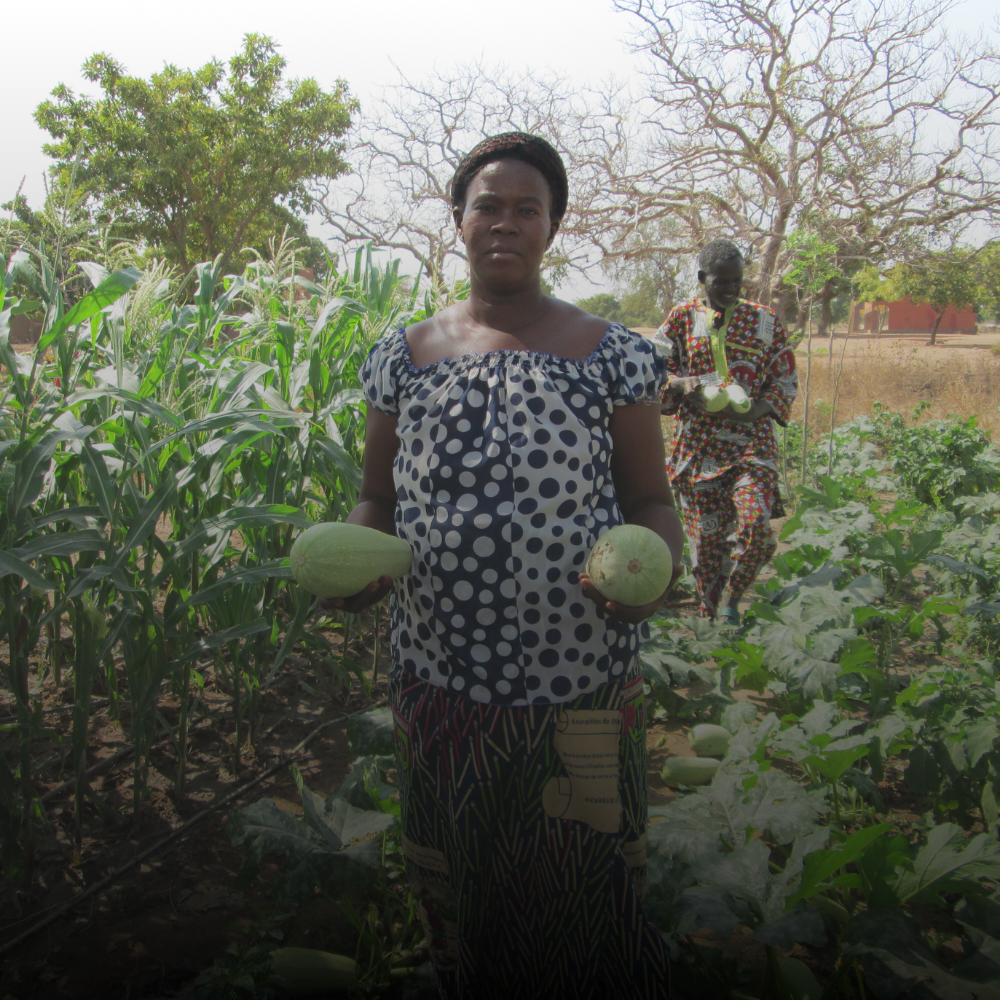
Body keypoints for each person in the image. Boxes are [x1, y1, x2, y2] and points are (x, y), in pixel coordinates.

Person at [324, 132, 684, 999]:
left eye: (529, 208)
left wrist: (652, 580)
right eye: (488, 205)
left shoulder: (611, 353)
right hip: (440, 674)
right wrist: (355, 564)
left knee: (583, 883)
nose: (506, 223)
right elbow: (376, 499)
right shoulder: (405, 356)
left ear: (553, 227)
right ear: (458, 219)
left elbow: (650, 501)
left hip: (579, 678)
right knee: (467, 886)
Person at [654, 238, 798, 626]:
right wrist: (680, 385)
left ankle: (732, 600)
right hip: (697, 451)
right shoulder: (682, 318)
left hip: (751, 446)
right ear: (703, 277)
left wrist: (757, 411)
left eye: (738, 281)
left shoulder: (764, 320)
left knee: (756, 527)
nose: (732, 289)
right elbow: (650, 370)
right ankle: (709, 617)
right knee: (706, 544)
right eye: (723, 282)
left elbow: (784, 379)